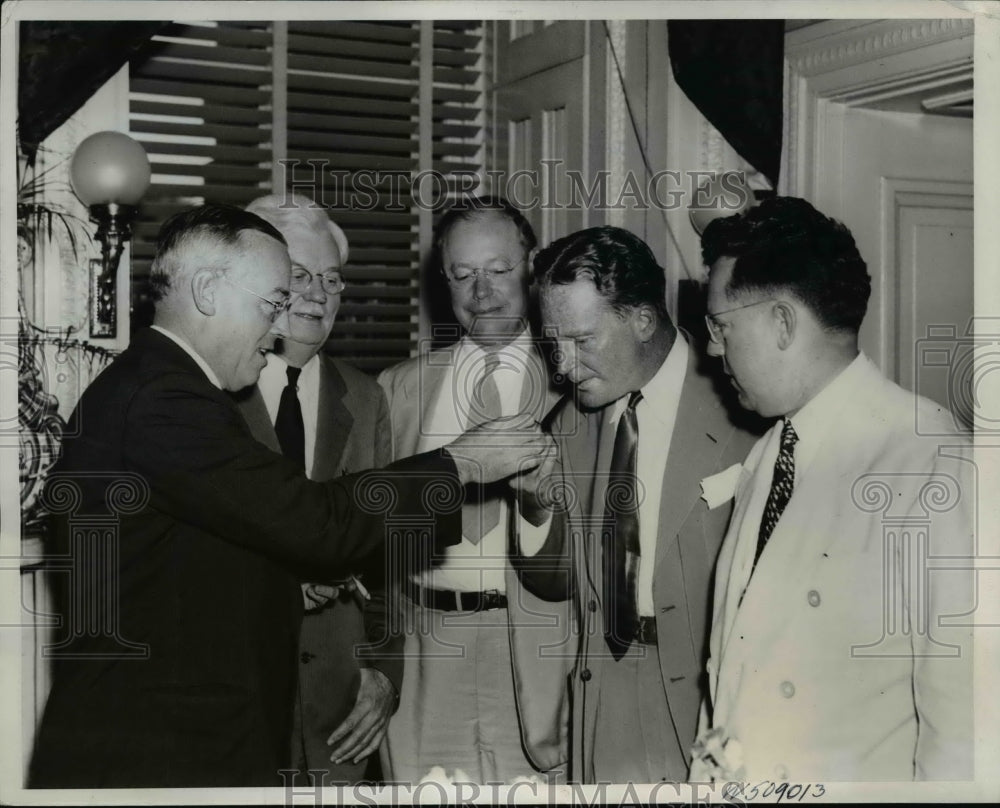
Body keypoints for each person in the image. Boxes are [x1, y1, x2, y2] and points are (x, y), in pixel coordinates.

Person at [28, 204, 552, 788]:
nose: (281, 327)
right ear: (207, 291)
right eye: (273, 302)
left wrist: (288, 583)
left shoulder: (155, 383)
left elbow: (186, 564)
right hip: (158, 747)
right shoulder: (167, 401)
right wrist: (461, 462)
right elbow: (316, 518)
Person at [691, 196, 973, 781]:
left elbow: (964, 733)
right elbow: (729, 677)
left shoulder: (932, 463)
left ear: (783, 322)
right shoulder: (773, 449)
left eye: (721, 327)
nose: (712, 350)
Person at [512, 226, 758, 783]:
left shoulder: (745, 409)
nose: (563, 366)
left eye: (581, 340)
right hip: (605, 693)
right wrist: (533, 508)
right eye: (553, 345)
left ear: (643, 321)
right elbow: (556, 582)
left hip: (708, 700)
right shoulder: (569, 422)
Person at [377, 196, 567, 783]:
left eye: (498, 270)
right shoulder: (397, 389)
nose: (480, 291)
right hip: (426, 647)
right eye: (462, 275)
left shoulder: (577, 384)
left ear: (532, 267)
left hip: (537, 651)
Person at [235, 194, 398, 784]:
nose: (318, 293)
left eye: (331, 279)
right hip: (237, 702)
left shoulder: (365, 397)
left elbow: (390, 560)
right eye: (298, 275)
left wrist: (385, 676)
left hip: (340, 713)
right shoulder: (211, 394)